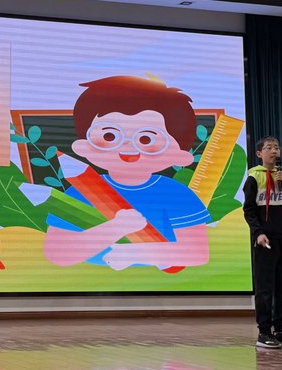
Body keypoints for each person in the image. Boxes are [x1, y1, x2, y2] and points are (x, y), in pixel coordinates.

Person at [43, 74, 211, 270]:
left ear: (180, 155)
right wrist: (115, 228)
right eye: (109, 136)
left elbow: (196, 253)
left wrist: (135, 253)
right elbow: (58, 253)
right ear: (82, 146)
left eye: (146, 139)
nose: (128, 150)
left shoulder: (177, 194)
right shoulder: (79, 192)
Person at [243, 136, 282, 348]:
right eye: (269, 148)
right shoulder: (253, 177)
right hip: (265, 240)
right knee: (265, 288)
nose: (274, 151)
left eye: (277, 147)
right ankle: (264, 332)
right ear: (260, 154)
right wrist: (258, 233)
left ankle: (280, 329)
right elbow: (249, 210)